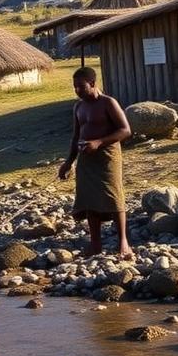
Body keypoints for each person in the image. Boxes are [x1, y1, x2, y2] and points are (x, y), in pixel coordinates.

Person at [58, 66, 133, 258]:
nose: (77, 91)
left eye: (81, 87)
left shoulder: (108, 103)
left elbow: (125, 130)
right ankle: (95, 244)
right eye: (75, 87)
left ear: (92, 84)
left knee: (113, 195)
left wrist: (98, 142)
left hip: (107, 156)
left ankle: (123, 241)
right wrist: (68, 162)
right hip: (86, 158)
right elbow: (76, 137)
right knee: (89, 199)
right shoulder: (78, 107)